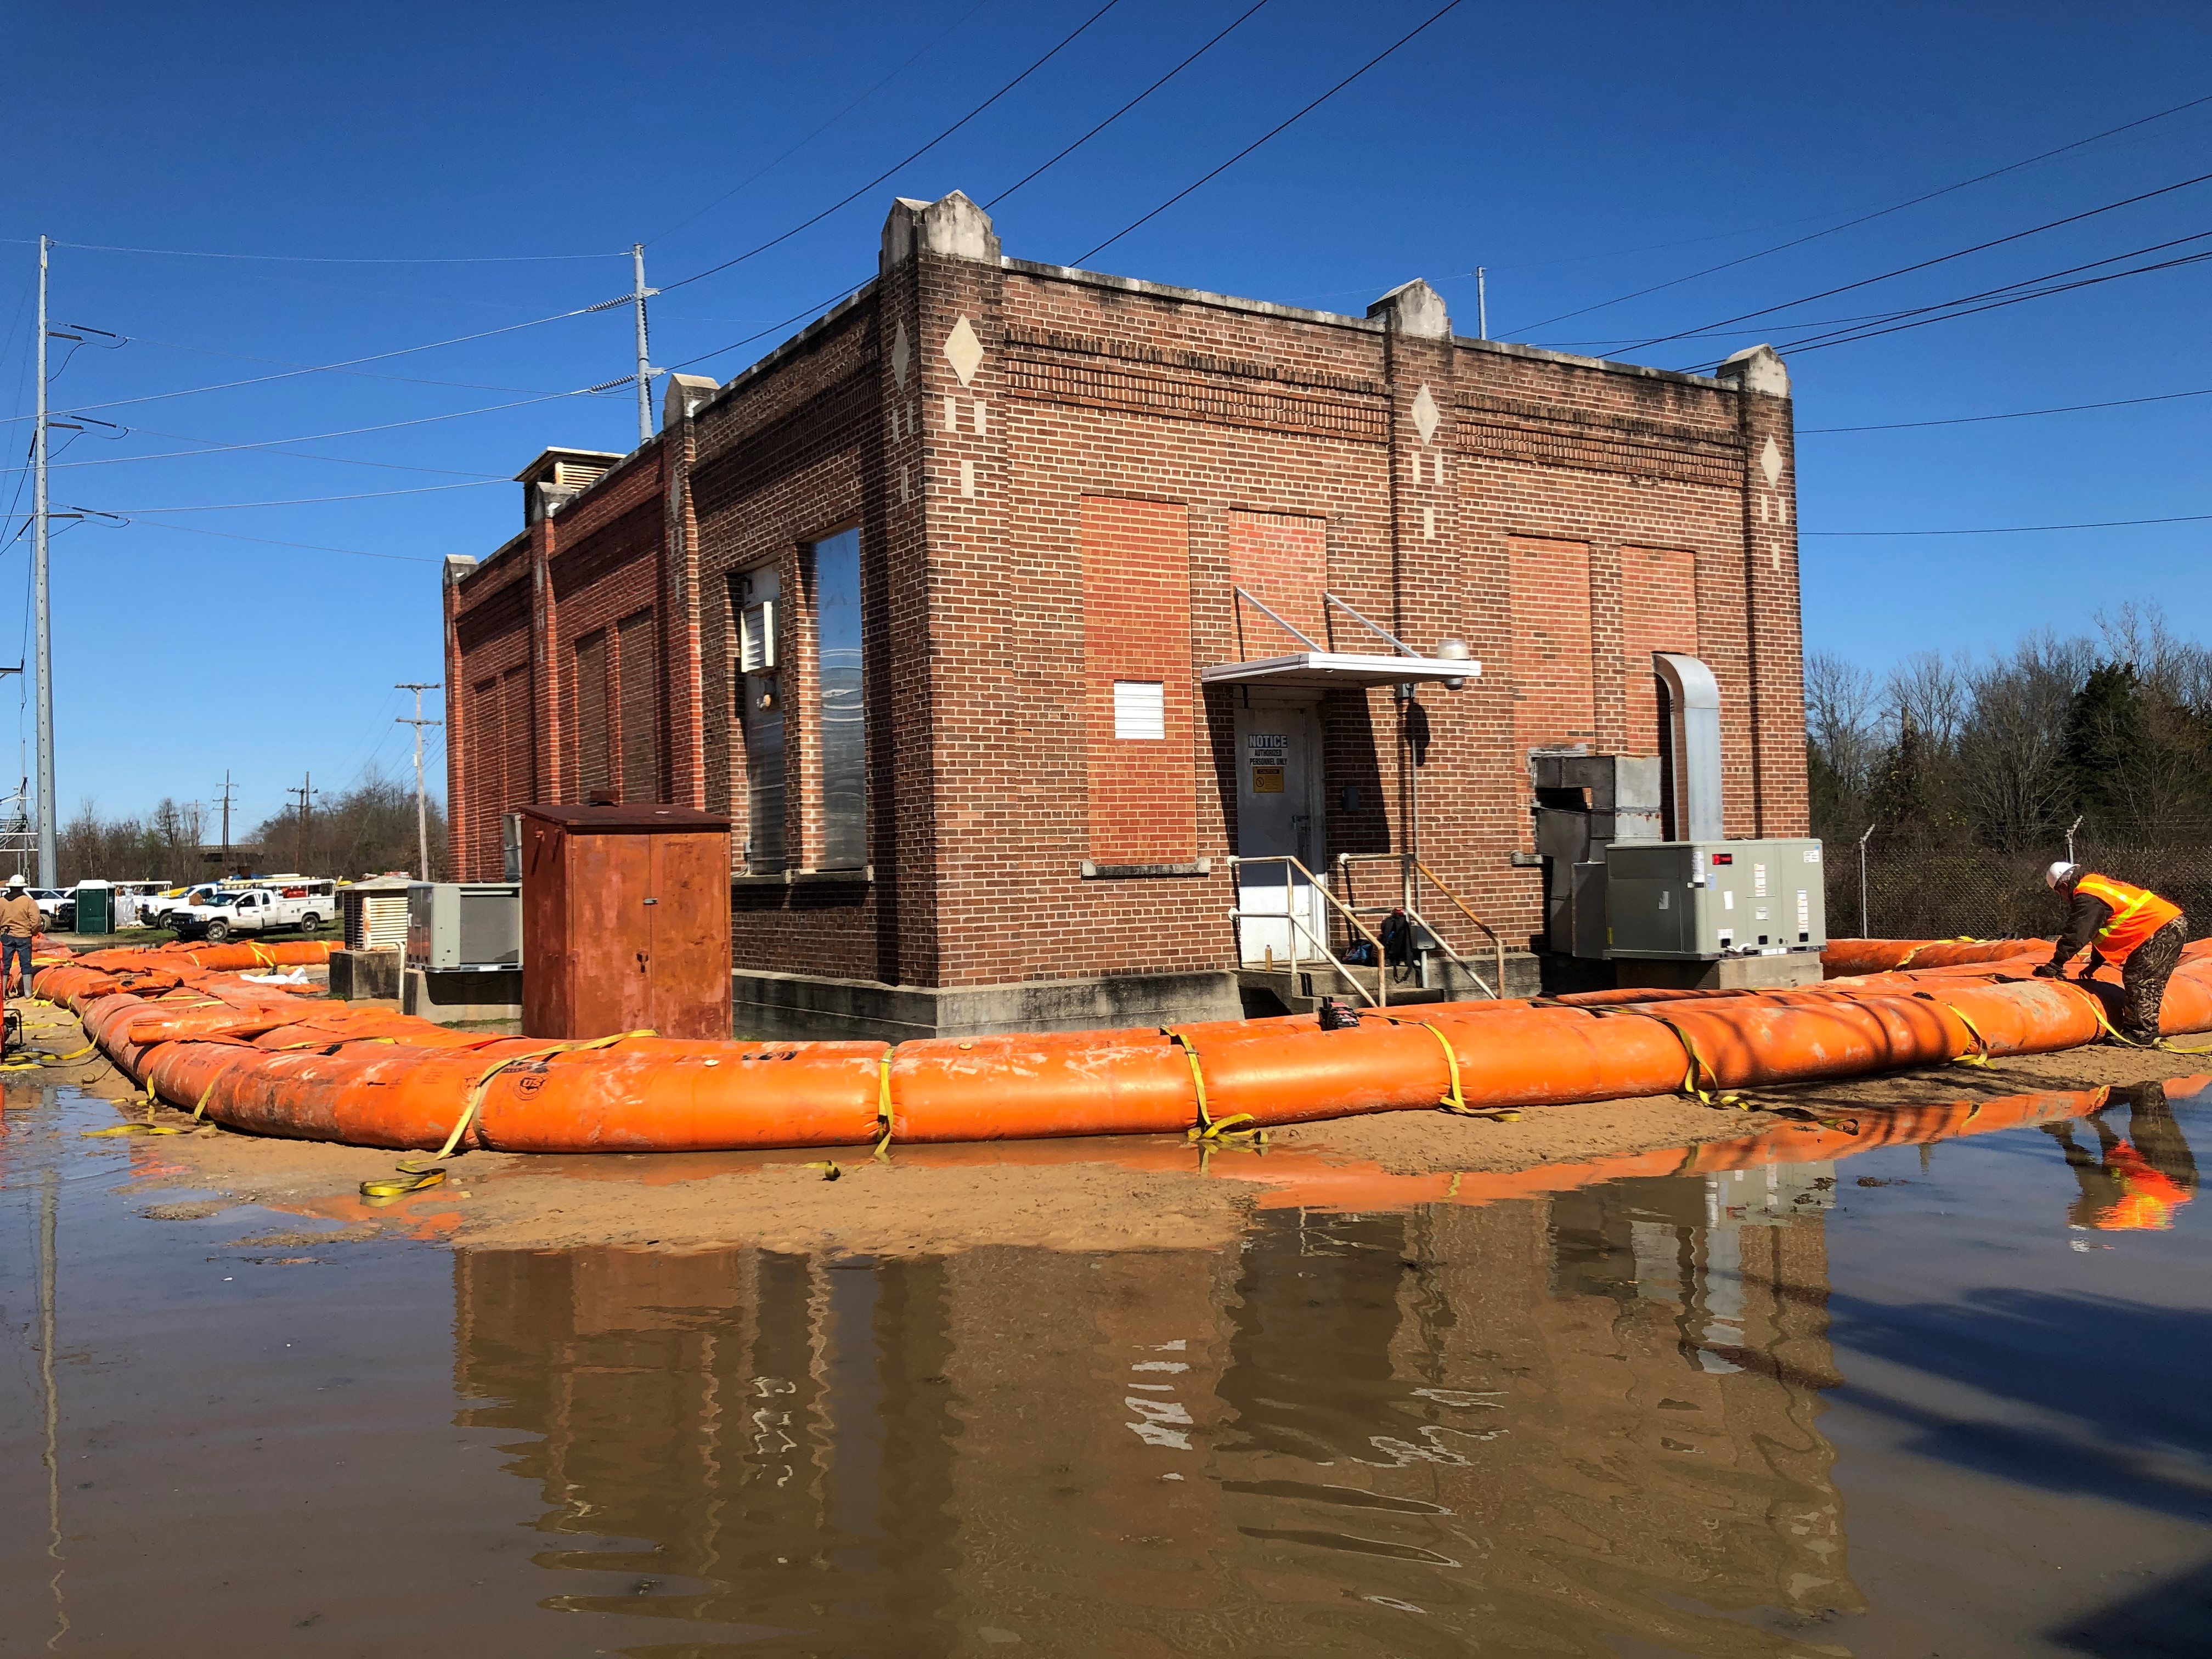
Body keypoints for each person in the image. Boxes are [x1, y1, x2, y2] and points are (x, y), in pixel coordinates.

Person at [2034, 862, 2187, 1041]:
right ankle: (2147, 1029)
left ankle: (2140, 1033)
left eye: (2060, 893)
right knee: (2148, 979)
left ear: (2064, 886)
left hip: (2158, 928)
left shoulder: (2087, 896)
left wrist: (2056, 964)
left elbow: (2078, 932)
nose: (2063, 898)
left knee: (2139, 978)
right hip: (2167, 924)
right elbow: (2104, 929)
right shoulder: (2096, 885)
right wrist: (2095, 964)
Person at [0, 873, 44, 999]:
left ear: (10, 887)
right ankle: (28, 993)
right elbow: (36, 921)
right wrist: (32, 931)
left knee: (4, 966)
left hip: (6, 936)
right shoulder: (29, 902)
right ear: (22, 887)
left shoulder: (2, 901)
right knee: (26, 965)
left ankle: (2, 994)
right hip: (24, 936)